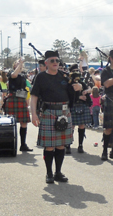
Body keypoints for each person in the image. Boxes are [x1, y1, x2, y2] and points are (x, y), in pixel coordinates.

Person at [30, 50, 81, 183]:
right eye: (52, 61)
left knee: (61, 145)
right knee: (49, 146)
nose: (55, 63)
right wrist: (33, 114)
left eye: (57, 60)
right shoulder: (40, 77)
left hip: (64, 112)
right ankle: (49, 173)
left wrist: (79, 86)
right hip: (48, 113)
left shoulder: (65, 76)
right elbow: (34, 96)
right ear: (46, 63)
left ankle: (58, 172)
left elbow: (77, 90)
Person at [3, 57, 33, 152]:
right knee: (11, 123)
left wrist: (27, 99)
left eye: (20, 63)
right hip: (13, 98)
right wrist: (20, 63)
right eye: (16, 63)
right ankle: (9, 144)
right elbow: (14, 75)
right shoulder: (11, 73)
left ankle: (23, 144)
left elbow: (27, 88)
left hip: (22, 99)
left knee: (24, 123)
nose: (19, 64)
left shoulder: (24, 76)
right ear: (14, 65)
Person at [68, 60, 94, 154]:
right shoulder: (68, 83)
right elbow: (68, 95)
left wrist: (86, 93)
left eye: (77, 71)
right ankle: (68, 145)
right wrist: (78, 96)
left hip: (82, 105)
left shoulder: (82, 82)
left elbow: (89, 89)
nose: (76, 73)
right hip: (72, 105)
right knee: (71, 126)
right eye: (74, 71)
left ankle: (80, 145)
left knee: (82, 126)